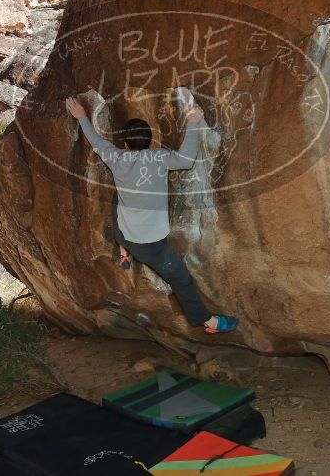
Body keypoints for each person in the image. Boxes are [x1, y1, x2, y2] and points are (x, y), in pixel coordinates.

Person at [65, 96, 238, 334]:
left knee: (118, 199)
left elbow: (96, 142)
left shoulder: (116, 158)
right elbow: (186, 160)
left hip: (126, 233)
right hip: (150, 245)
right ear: (149, 141)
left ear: (125, 144)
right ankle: (208, 322)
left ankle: (124, 251)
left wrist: (82, 117)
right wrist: (194, 123)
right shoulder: (158, 158)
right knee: (183, 281)